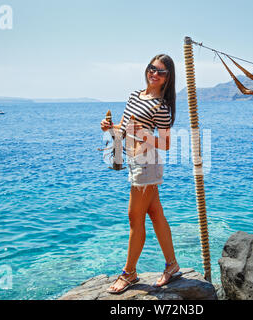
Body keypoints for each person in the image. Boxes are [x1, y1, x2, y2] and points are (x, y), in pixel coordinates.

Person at [100, 54, 180, 294]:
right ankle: (172, 265)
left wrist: (143, 134)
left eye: (161, 71)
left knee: (135, 217)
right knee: (155, 214)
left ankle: (129, 273)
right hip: (135, 161)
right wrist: (109, 128)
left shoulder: (161, 106)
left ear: (167, 79)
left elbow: (165, 143)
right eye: (151, 68)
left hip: (147, 162)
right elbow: (123, 129)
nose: (154, 73)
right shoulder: (134, 96)